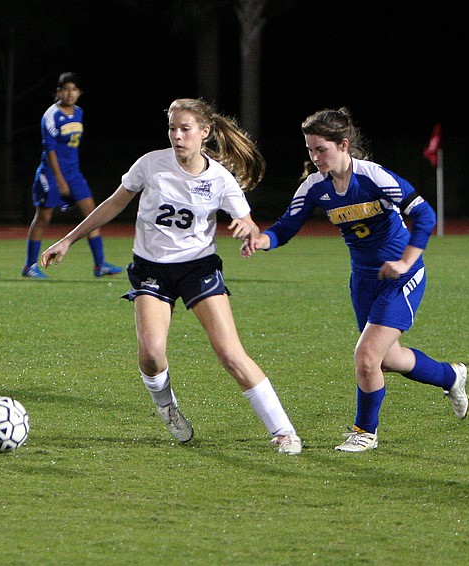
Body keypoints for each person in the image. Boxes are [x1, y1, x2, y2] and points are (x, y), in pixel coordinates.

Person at [41, 98, 303, 454]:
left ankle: (283, 431)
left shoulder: (220, 179)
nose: (177, 136)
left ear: (204, 132)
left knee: (229, 353)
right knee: (151, 352)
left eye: (185, 129)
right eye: (172, 128)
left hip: (198, 267)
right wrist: (69, 239)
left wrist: (246, 226)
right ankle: (167, 407)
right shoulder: (150, 165)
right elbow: (115, 202)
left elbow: (248, 220)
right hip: (151, 269)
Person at [241, 107, 468, 453]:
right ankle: (451, 377)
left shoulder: (374, 177)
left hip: (400, 278)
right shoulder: (315, 187)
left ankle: (365, 432)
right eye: (310, 150)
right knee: (387, 359)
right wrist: (262, 240)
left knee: (365, 357)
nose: (315, 157)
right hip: (363, 281)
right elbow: (286, 227)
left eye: (321, 149)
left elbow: (424, 214)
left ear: (343, 145)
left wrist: (406, 261)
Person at [22, 72, 123, 279]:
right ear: (58, 91)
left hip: (73, 173)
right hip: (51, 172)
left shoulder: (78, 113)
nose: (70, 93)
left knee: (92, 214)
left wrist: (70, 176)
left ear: (79, 92)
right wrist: (59, 179)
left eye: (74, 89)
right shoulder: (51, 115)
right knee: (43, 217)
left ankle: (100, 264)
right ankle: (30, 265)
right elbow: (49, 150)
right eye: (66, 89)